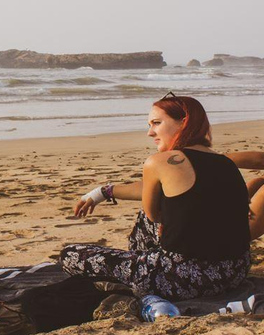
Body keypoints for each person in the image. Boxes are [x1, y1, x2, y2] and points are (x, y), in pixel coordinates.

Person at [60, 94, 264, 300]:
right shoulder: (225, 162)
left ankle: (142, 270)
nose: (150, 132)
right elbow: (180, 193)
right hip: (234, 272)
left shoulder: (159, 162)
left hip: (184, 279)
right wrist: (103, 192)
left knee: (70, 254)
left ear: (184, 122)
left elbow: (153, 215)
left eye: (156, 123)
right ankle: (143, 263)